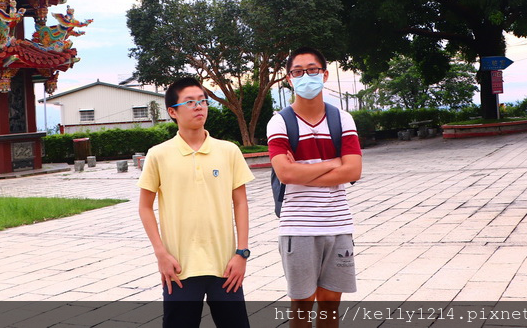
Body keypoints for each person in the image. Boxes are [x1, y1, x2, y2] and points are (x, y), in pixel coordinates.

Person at [138, 76, 254, 328]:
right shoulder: (158, 155)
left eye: (202, 101)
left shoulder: (228, 151)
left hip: (225, 267)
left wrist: (241, 253)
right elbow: (145, 206)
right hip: (179, 268)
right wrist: (161, 254)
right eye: (190, 102)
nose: (199, 106)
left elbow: (241, 203)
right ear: (172, 112)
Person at [267, 47, 363, 326]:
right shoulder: (280, 122)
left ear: (324, 74)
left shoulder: (342, 119)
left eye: (312, 70)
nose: (305, 76)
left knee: (331, 305)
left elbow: (354, 170)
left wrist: (303, 170)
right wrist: (333, 162)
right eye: (298, 72)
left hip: (338, 225)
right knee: (301, 306)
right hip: (298, 228)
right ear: (289, 79)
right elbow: (285, 174)